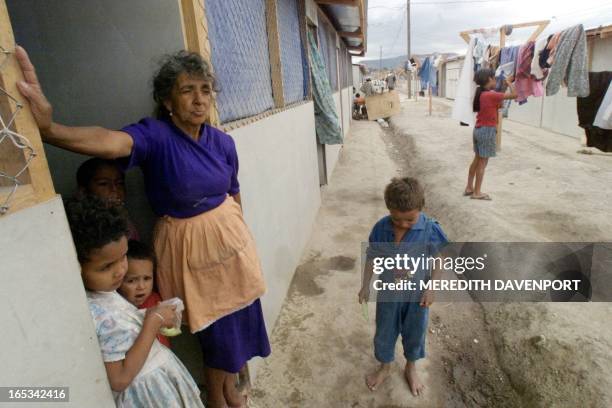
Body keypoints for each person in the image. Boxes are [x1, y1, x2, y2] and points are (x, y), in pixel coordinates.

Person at [16, 47, 269, 408]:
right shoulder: (157, 137)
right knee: (218, 336)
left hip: (235, 252)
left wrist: (244, 242)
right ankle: (218, 400)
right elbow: (109, 142)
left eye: (205, 90)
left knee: (240, 328)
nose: (199, 100)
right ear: (168, 100)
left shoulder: (223, 143)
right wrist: (49, 129)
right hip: (193, 256)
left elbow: (233, 192)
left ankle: (230, 391)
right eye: (187, 91)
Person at [64, 196, 204, 407]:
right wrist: (152, 321)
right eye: (106, 267)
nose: (120, 270)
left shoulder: (105, 293)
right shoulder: (95, 313)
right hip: (149, 395)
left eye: (123, 257)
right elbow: (119, 379)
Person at [358, 177, 448, 397]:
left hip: (418, 296)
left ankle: (411, 366)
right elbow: (371, 257)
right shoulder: (381, 228)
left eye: (409, 219)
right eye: (396, 219)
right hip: (388, 294)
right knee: (384, 332)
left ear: (420, 208)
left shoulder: (430, 229)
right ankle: (386, 366)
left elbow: (440, 258)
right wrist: (365, 286)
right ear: (389, 209)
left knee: (415, 332)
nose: (402, 224)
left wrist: (432, 287)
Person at [465, 69, 516, 200]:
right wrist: (509, 83)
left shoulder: (483, 95)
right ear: (489, 79)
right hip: (487, 131)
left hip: (478, 130)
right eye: (494, 78)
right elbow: (514, 95)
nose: (495, 81)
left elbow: (500, 103)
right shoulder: (490, 95)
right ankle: (477, 192)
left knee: (477, 160)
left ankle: (469, 187)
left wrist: (504, 86)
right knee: (482, 163)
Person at [119, 239, 171, 348]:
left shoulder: (156, 301)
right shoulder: (118, 312)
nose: (141, 287)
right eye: (132, 280)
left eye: (147, 278)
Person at [76, 158, 140, 240]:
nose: (114, 189)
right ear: (83, 191)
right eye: (103, 184)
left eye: (119, 183)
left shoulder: (125, 223)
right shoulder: (84, 229)